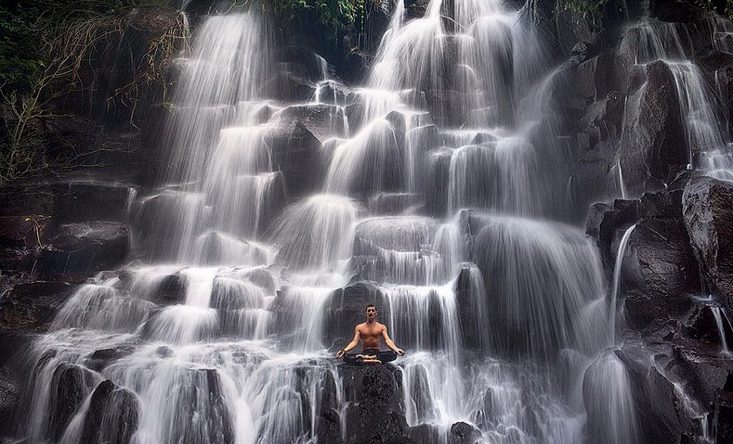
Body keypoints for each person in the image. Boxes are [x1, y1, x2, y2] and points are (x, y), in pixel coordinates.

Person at [335, 304, 405, 364]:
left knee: (393, 354)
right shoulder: (359, 327)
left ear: (376, 313)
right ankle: (370, 360)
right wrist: (344, 351)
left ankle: (367, 360)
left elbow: (387, 340)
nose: (371, 312)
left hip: (376, 353)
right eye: (369, 311)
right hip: (364, 353)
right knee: (345, 357)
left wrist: (396, 349)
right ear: (366, 313)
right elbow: (355, 342)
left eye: (372, 310)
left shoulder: (382, 327)